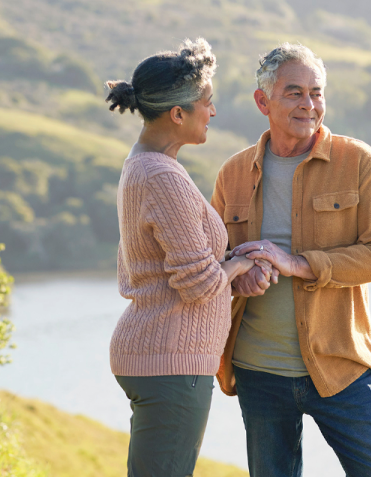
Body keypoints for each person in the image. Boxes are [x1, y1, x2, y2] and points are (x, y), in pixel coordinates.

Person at [211, 43, 371, 476]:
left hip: (341, 366)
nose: (308, 104)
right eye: (294, 92)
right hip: (258, 371)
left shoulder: (358, 161)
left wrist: (297, 263)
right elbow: (215, 257)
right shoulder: (233, 173)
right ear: (263, 101)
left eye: (316, 93)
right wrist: (238, 276)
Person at [106, 38, 270, 477]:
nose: (212, 112)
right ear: (177, 114)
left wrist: (232, 257)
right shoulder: (161, 175)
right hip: (171, 361)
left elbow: (171, 263)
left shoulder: (143, 164)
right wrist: (240, 265)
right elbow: (197, 283)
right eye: (206, 103)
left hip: (158, 355)